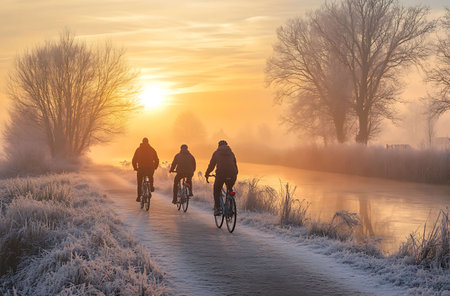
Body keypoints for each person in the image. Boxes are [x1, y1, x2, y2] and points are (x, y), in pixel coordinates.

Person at [205, 140, 238, 216]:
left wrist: (207, 174)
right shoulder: (231, 153)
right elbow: (235, 166)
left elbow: (211, 166)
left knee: (216, 190)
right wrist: (235, 174)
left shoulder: (216, 153)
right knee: (230, 189)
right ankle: (230, 208)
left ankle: (217, 208)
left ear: (218, 146)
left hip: (221, 175)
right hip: (232, 175)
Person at [132, 137, 159, 202]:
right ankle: (151, 187)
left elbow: (134, 160)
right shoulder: (152, 149)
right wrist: (155, 167)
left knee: (140, 183)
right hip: (150, 168)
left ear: (142, 142)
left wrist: (135, 168)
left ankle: (139, 197)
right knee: (150, 177)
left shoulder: (138, 150)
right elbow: (156, 160)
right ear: (148, 142)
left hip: (141, 169)